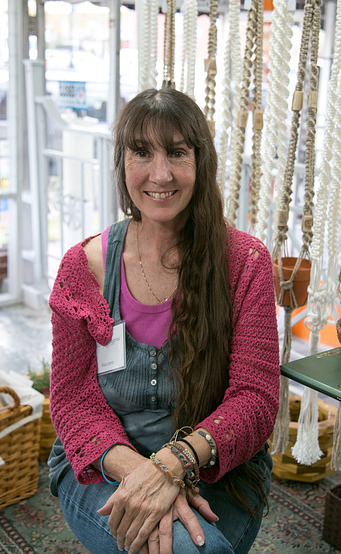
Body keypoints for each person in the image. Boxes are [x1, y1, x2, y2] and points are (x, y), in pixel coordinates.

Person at [48, 87, 280, 554]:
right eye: (141, 152)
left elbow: (255, 398)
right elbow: (72, 401)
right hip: (103, 464)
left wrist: (175, 463)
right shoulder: (83, 268)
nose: (160, 174)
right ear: (122, 163)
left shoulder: (244, 262)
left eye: (177, 152)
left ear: (201, 162)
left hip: (219, 463)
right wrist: (147, 475)